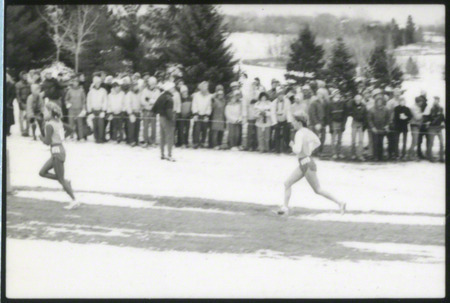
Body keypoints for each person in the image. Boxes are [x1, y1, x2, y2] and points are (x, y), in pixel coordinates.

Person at [277, 112, 346, 216]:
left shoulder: (299, 133)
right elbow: (317, 141)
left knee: (318, 190)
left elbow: (297, 150)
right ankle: (285, 207)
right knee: (287, 183)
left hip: (306, 164)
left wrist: (291, 145)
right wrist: (309, 150)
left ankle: (340, 203)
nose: (293, 123)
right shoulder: (307, 131)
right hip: (306, 162)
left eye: (294, 121)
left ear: (299, 122)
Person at [39, 102, 79, 210]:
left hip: (57, 152)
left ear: (50, 112)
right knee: (42, 173)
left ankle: (74, 200)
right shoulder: (58, 122)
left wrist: (41, 138)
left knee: (60, 179)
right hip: (58, 150)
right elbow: (71, 129)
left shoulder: (49, 125)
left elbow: (47, 142)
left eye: (45, 111)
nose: (43, 113)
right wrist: (62, 138)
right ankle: (66, 182)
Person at [152, 82, 176, 161]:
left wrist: (157, 113)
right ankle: (169, 155)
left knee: (162, 137)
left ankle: (162, 154)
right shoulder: (169, 98)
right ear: (169, 89)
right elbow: (169, 110)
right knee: (169, 137)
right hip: (167, 118)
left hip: (161, 118)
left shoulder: (161, 96)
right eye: (173, 88)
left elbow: (154, 108)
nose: (174, 89)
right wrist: (172, 119)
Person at [327, 89, 347, 160]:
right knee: (333, 139)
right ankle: (334, 153)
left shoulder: (343, 103)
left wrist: (343, 124)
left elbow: (345, 114)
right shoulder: (330, 104)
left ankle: (339, 152)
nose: (337, 95)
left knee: (340, 139)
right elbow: (328, 115)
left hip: (340, 122)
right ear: (333, 95)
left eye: (338, 94)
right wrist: (330, 126)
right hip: (333, 122)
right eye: (336, 94)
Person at [368, 96, 390, 161]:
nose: (379, 103)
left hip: (382, 128)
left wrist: (387, 125)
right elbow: (369, 120)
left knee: (381, 142)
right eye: (378, 101)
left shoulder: (386, 109)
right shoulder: (371, 109)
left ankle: (380, 156)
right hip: (375, 128)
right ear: (376, 102)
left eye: (381, 101)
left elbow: (388, 118)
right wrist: (372, 127)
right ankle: (375, 156)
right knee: (375, 142)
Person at [87, 76, 108, 143]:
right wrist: (90, 112)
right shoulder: (91, 92)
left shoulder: (103, 91)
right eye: (96, 82)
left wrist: (103, 110)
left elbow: (105, 101)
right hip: (93, 110)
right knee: (94, 124)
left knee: (101, 124)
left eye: (99, 82)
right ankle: (96, 138)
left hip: (100, 110)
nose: (97, 84)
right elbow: (88, 102)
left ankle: (101, 138)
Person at [141, 77, 161, 147]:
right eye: (151, 83)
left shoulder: (157, 91)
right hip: (146, 110)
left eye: (154, 83)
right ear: (149, 83)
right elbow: (142, 100)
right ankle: (145, 140)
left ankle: (153, 141)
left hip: (153, 110)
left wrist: (149, 100)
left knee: (153, 126)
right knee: (145, 126)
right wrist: (149, 103)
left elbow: (157, 101)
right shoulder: (145, 90)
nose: (153, 85)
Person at [192, 81, 212, 148]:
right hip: (198, 114)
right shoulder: (196, 95)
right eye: (204, 87)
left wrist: (207, 115)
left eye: (206, 87)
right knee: (196, 129)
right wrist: (195, 113)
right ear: (200, 87)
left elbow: (209, 106)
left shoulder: (209, 96)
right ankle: (195, 142)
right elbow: (194, 104)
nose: (205, 88)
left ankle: (203, 142)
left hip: (205, 115)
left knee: (204, 129)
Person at [272, 87, 291, 153]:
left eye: (282, 94)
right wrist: (275, 123)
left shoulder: (287, 101)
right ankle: (277, 149)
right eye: (279, 94)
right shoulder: (274, 102)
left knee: (286, 134)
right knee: (276, 135)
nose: (280, 96)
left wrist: (289, 121)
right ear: (277, 95)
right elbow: (273, 113)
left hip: (284, 119)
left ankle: (286, 148)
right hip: (277, 120)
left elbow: (288, 111)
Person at [308, 87, 327, 156]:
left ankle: (320, 151)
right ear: (317, 94)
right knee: (315, 138)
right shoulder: (314, 103)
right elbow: (312, 114)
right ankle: (314, 151)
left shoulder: (325, 102)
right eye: (318, 94)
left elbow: (326, 113)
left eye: (321, 94)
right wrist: (316, 123)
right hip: (315, 124)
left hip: (323, 123)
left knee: (323, 138)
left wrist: (324, 123)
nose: (320, 95)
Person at [426, 96, 445, 162]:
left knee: (442, 142)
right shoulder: (430, 108)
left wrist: (444, 123)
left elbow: (442, 117)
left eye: (437, 100)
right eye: (434, 100)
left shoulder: (441, 108)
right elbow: (427, 117)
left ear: (439, 101)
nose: (435, 101)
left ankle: (441, 158)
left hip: (439, 128)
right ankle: (430, 157)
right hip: (432, 128)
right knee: (431, 142)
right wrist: (428, 122)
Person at [349, 94, 367, 161]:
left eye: (359, 100)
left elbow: (365, 115)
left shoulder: (363, 106)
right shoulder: (352, 105)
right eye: (356, 100)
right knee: (353, 140)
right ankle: (353, 154)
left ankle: (360, 155)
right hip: (354, 122)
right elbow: (350, 112)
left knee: (361, 140)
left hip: (361, 123)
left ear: (361, 100)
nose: (358, 101)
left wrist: (364, 125)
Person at [386, 88, 402, 160]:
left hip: (398, 123)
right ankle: (390, 154)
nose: (398, 94)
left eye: (399, 93)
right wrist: (389, 122)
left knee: (397, 139)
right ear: (393, 94)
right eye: (396, 93)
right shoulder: (390, 102)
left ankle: (396, 154)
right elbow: (387, 112)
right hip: (391, 122)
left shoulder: (401, 102)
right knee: (391, 139)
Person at [210, 85, 227, 149]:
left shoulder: (224, 101)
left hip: (222, 118)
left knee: (221, 131)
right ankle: (214, 144)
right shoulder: (214, 100)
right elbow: (212, 107)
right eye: (219, 94)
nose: (220, 95)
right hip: (215, 117)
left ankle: (219, 144)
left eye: (222, 94)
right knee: (215, 132)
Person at [16, 71, 32, 136]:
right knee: (21, 117)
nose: (25, 77)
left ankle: (27, 130)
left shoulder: (29, 84)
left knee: (28, 116)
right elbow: (17, 95)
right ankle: (22, 130)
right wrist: (20, 102)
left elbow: (31, 93)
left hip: (28, 102)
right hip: (22, 102)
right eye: (24, 75)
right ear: (21, 76)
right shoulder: (18, 84)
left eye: (26, 75)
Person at [416, 90, 428, 159]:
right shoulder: (420, 101)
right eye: (423, 94)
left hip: (424, 123)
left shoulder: (426, 102)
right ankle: (419, 153)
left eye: (425, 94)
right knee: (420, 140)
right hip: (421, 123)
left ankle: (422, 153)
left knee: (423, 139)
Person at [6, 72, 16, 136]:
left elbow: (13, 95)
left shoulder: (11, 85)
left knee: (8, 118)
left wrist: (9, 102)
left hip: (8, 103)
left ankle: (7, 131)